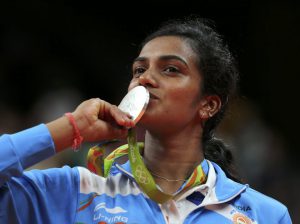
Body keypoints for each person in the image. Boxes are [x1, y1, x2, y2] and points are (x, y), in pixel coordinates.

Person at [0, 16, 291, 224]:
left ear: (208, 105)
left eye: (171, 70)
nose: (145, 79)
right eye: (139, 70)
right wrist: (71, 128)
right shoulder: (76, 191)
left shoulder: (263, 214)